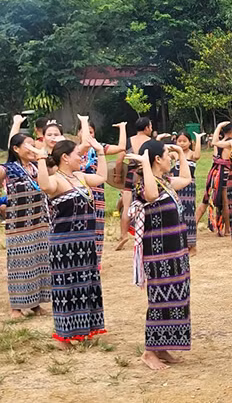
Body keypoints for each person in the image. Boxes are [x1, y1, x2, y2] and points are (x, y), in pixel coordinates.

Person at [36, 126, 107, 348]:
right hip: (65, 245)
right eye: (78, 154)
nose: (81, 157)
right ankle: (64, 337)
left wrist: (101, 152)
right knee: (67, 289)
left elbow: (102, 176)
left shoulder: (79, 176)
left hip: (85, 242)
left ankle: (84, 330)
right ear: (65, 158)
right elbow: (44, 185)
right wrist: (40, 159)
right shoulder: (56, 180)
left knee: (86, 285)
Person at [126, 140, 193, 370]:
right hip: (159, 254)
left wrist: (181, 154)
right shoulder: (145, 185)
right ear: (156, 159)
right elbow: (152, 196)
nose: (170, 159)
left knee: (176, 297)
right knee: (160, 299)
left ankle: (162, 345)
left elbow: (186, 179)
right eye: (167, 155)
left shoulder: (165, 181)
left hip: (175, 251)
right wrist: (145, 164)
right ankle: (149, 352)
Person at [0, 133, 51, 319]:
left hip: (39, 223)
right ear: (16, 149)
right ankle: (16, 308)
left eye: (33, 144)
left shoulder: (38, 167)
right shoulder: (7, 169)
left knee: (38, 264)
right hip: (18, 227)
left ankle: (36, 305)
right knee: (19, 266)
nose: (32, 148)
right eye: (28, 145)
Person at [78, 119, 127, 268]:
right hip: (80, 193)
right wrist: (84, 122)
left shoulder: (99, 148)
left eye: (92, 132)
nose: (89, 135)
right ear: (78, 133)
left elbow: (121, 148)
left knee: (98, 227)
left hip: (98, 193)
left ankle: (96, 262)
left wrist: (122, 128)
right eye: (86, 131)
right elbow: (85, 144)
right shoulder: (73, 150)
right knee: (82, 227)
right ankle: (82, 261)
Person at [117, 117, 155, 250]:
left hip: (130, 174)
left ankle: (123, 235)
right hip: (146, 175)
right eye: (150, 126)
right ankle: (147, 235)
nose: (151, 128)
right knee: (148, 206)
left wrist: (117, 175)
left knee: (126, 207)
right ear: (146, 128)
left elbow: (119, 160)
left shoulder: (129, 141)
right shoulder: (151, 142)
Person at [196, 122, 232, 237]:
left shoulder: (219, 143)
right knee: (226, 202)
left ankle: (192, 225)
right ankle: (227, 229)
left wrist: (218, 126)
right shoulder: (230, 143)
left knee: (206, 200)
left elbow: (214, 143)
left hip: (214, 174)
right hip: (224, 174)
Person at [172, 130, 204, 255]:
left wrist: (198, 139)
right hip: (176, 186)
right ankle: (181, 244)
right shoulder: (175, 155)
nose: (182, 144)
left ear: (190, 142)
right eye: (179, 141)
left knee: (189, 214)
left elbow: (198, 155)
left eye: (185, 141)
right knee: (177, 213)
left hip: (189, 188)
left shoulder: (191, 154)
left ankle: (192, 245)